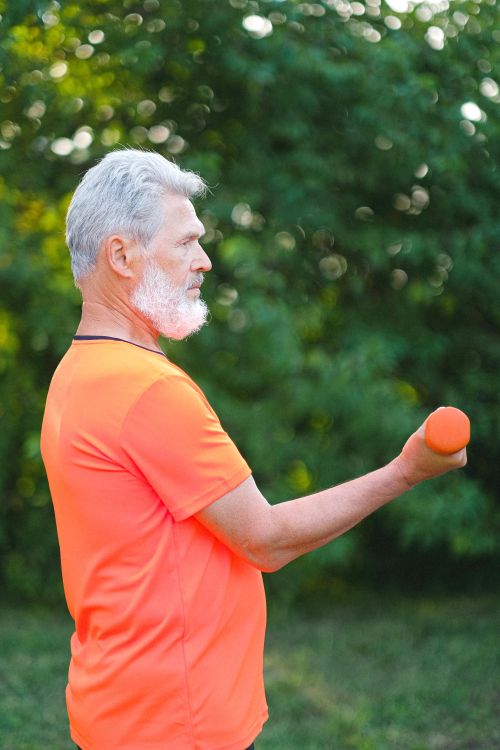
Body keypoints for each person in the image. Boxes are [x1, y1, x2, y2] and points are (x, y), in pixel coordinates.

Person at [40, 149, 467, 750]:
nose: (205, 260)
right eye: (186, 242)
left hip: (119, 707)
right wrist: (406, 471)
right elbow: (264, 538)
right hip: (173, 723)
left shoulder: (79, 370)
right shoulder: (145, 388)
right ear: (121, 255)